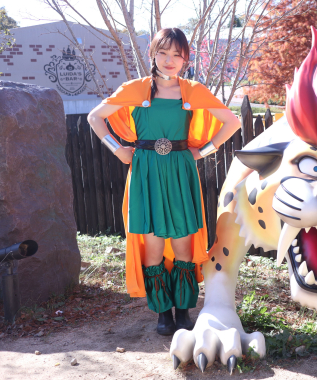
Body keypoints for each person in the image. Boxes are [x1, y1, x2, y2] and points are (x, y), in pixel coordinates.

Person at [87, 28, 240, 336]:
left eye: (177, 55)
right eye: (163, 53)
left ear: (185, 59)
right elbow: (95, 117)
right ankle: (162, 313)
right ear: (152, 54)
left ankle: (183, 312)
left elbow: (232, 122)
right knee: (152, 245)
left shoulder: (192, 91)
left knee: (183, 243)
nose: (170, 60)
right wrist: (118, 149)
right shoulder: (135, 88)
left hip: (180, 172)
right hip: (145, 173)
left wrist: (202, 152)